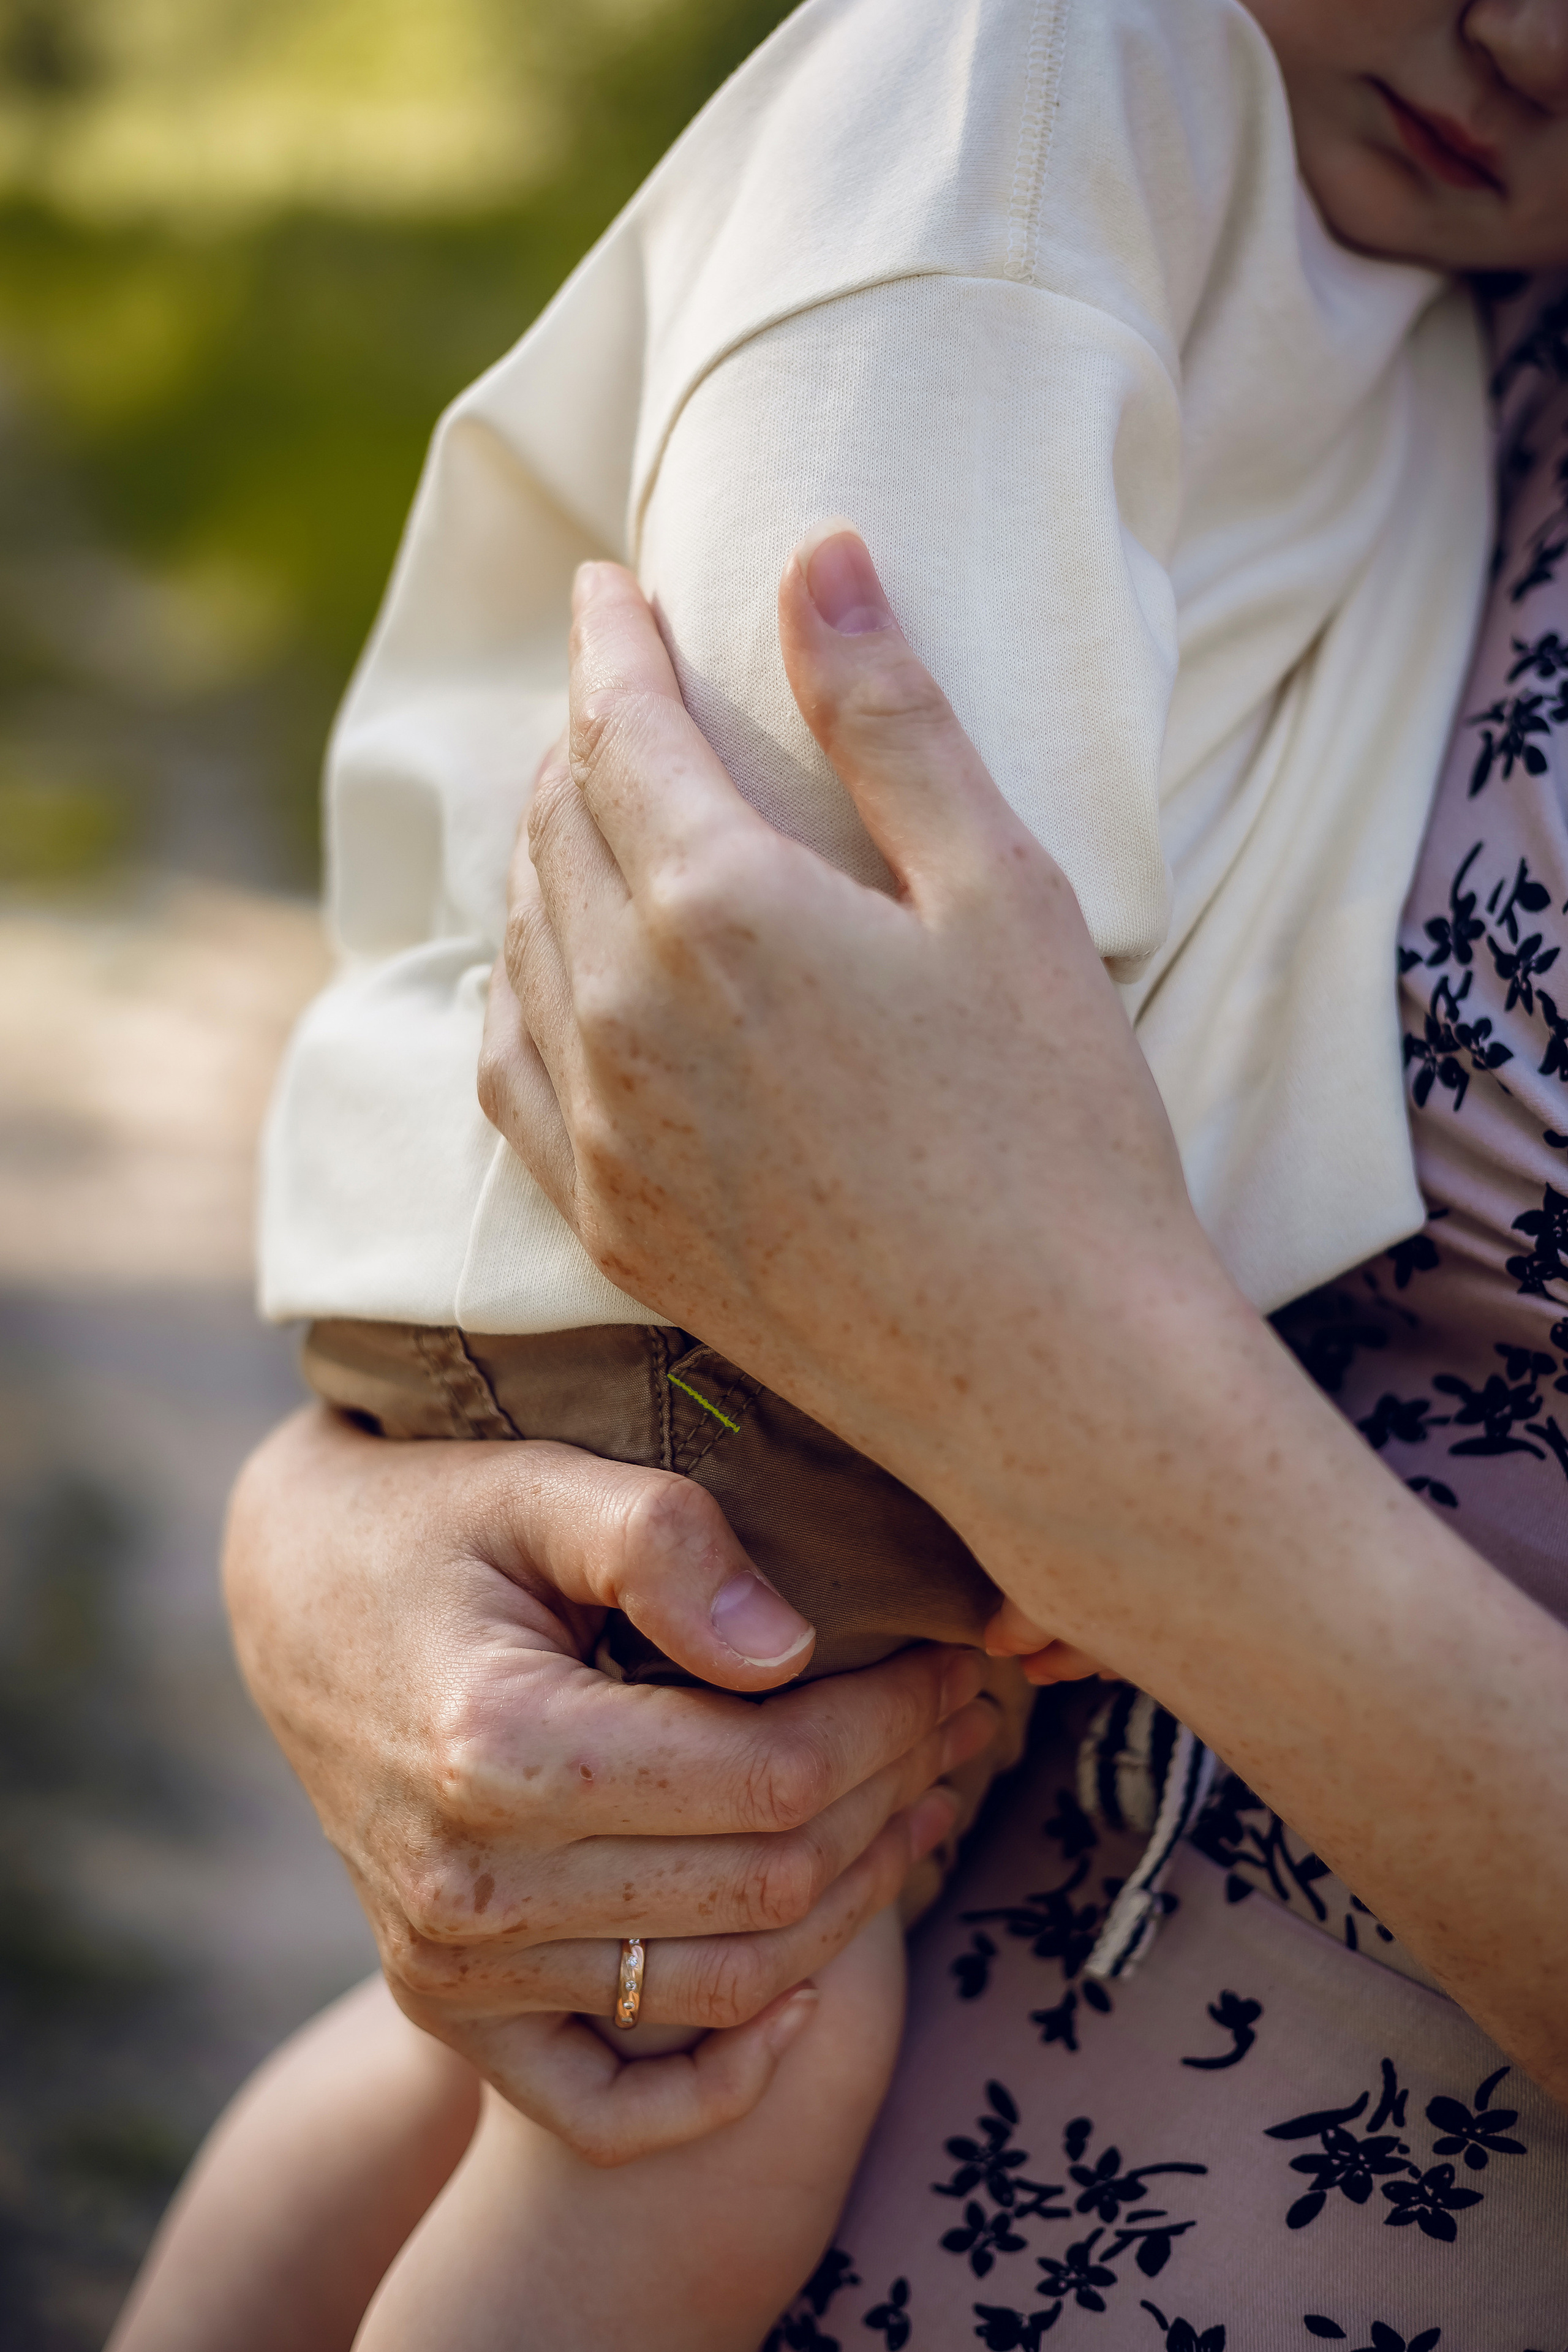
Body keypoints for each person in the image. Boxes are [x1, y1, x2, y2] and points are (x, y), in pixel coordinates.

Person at [110, 0, 1568, 2343]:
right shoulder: (1037, 84)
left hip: (829, 1325)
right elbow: (846, 767)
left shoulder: (1326, 194)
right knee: (723, 2072)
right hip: (749, 1317)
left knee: (514, 2067)